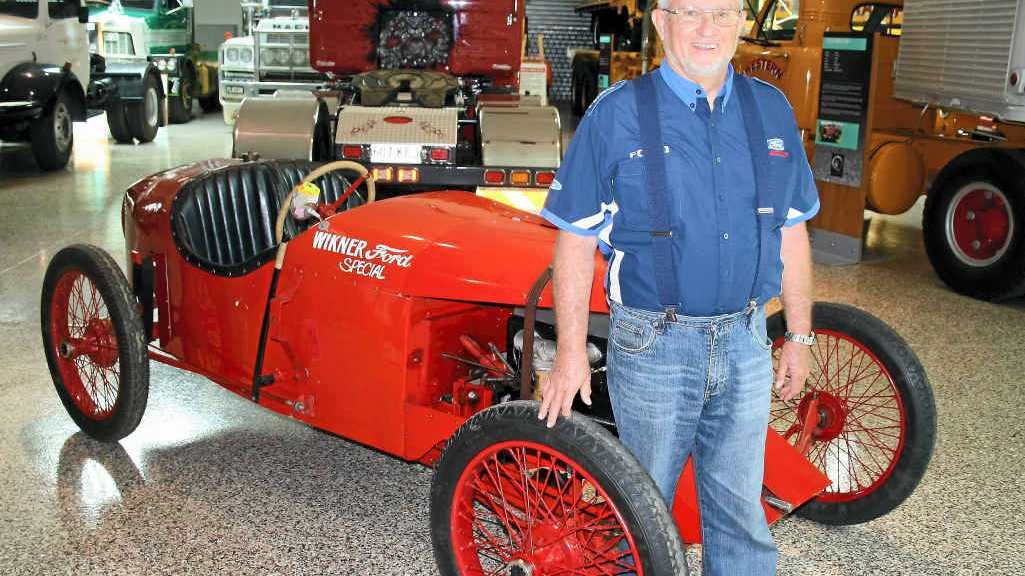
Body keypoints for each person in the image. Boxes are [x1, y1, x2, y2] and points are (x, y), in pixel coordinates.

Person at [537, 1, 820, 574]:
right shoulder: (615, 115)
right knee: (640, 512)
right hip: (653, 346)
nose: (707, 29)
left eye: (721, 13)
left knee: (740, 510)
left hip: (744, 342)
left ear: (743, 22)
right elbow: (574, 241)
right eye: (690, 12)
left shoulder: (772, 110)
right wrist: (570, 355)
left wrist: (799, 334)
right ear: (661, 23)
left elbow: (792, 228)